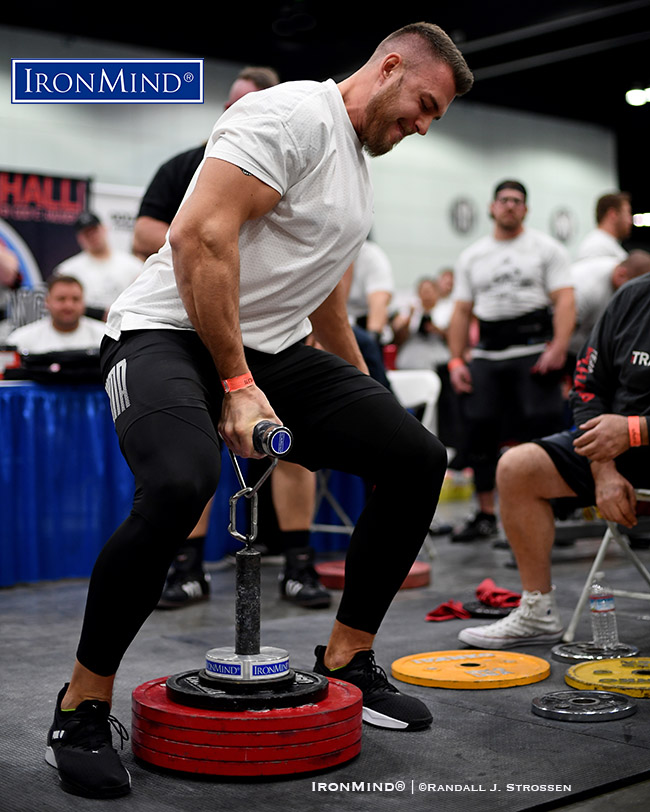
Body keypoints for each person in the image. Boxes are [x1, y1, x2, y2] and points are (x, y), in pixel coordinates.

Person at [45, 22, 473, 798]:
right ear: (388, 66)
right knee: (179, 485)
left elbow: (329, 299)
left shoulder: (356, 170)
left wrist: (363, 398)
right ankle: (81, 704)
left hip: (272, 348)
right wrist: (238, 387)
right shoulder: (290, 117)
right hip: (163, 335)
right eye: (422, 105)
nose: (420, 126)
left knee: (414, 459)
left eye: (432, 119)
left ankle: (348, 656)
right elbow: (197, 237)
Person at [132, 65, 330, 611]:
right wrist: (209, 222)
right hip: (196, 323)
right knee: (197, 447)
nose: (239, 113)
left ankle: (298, 565)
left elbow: (328, 256)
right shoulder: (188, 166)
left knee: (291, 444)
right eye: (233, 103)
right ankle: (188, 569)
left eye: (253, 104)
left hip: (274, 329)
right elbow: (152, 231)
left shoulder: (302, 162)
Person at [458, 271, 650, 649]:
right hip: (615, 449)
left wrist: (636, 430)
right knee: (517, 467)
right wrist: (603, 469)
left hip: (629, 434)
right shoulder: (632, 298)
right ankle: (538, 610)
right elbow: (587, 387)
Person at [446, 180, 575, 542]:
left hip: (534, 351)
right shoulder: (473, 255)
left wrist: (559, 346)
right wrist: (456, 362)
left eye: (517, 201)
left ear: (526, 210)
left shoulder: (545, 248)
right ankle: (485, 513)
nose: (510, 206)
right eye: (504, 200)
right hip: (486, 353)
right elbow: (461, 311)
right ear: (492, 207)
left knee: (544, 428)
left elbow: (565, 299)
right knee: (479, 429)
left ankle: (552, 507)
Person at [53, 213, 143, 320]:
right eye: (87, 233)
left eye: (94, 231)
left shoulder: (134, 265)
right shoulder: (67, 270)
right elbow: (59, 305)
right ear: (79, 238)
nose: (92, 236)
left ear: (104, 229)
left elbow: (142, 299)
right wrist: (99, 314)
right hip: (86, 329)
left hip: (123, 326)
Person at [568, 250, 650, 364]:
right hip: (565, 338)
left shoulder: (624, 268)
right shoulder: (588, 288)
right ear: (621, 275)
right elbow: (564, 329)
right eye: (637, 290)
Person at [6, 275, 105, 353]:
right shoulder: (21, 341)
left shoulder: (105, 338)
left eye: (75, 299)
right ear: (47, 302)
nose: (69, 306)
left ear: (84, 302)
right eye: (61, 299)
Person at [344, 236, 394, 388]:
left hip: (364, 327)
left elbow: (379, 301)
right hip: (332, 323)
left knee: (366, 345)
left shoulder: (371, 255)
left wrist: (373, 337)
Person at [575, 191, 632, 262]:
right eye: (627, 213)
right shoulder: (595, 246)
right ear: (613, 214)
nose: (630, 221)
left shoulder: (606, 243)